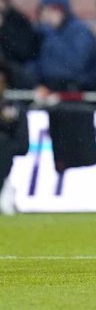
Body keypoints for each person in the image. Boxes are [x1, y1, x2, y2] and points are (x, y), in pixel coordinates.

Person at [0, 62, 29, 215]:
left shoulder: (14, 108)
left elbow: (22, 143)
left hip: (5, 152)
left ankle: (4, 185)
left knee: (2, 142)